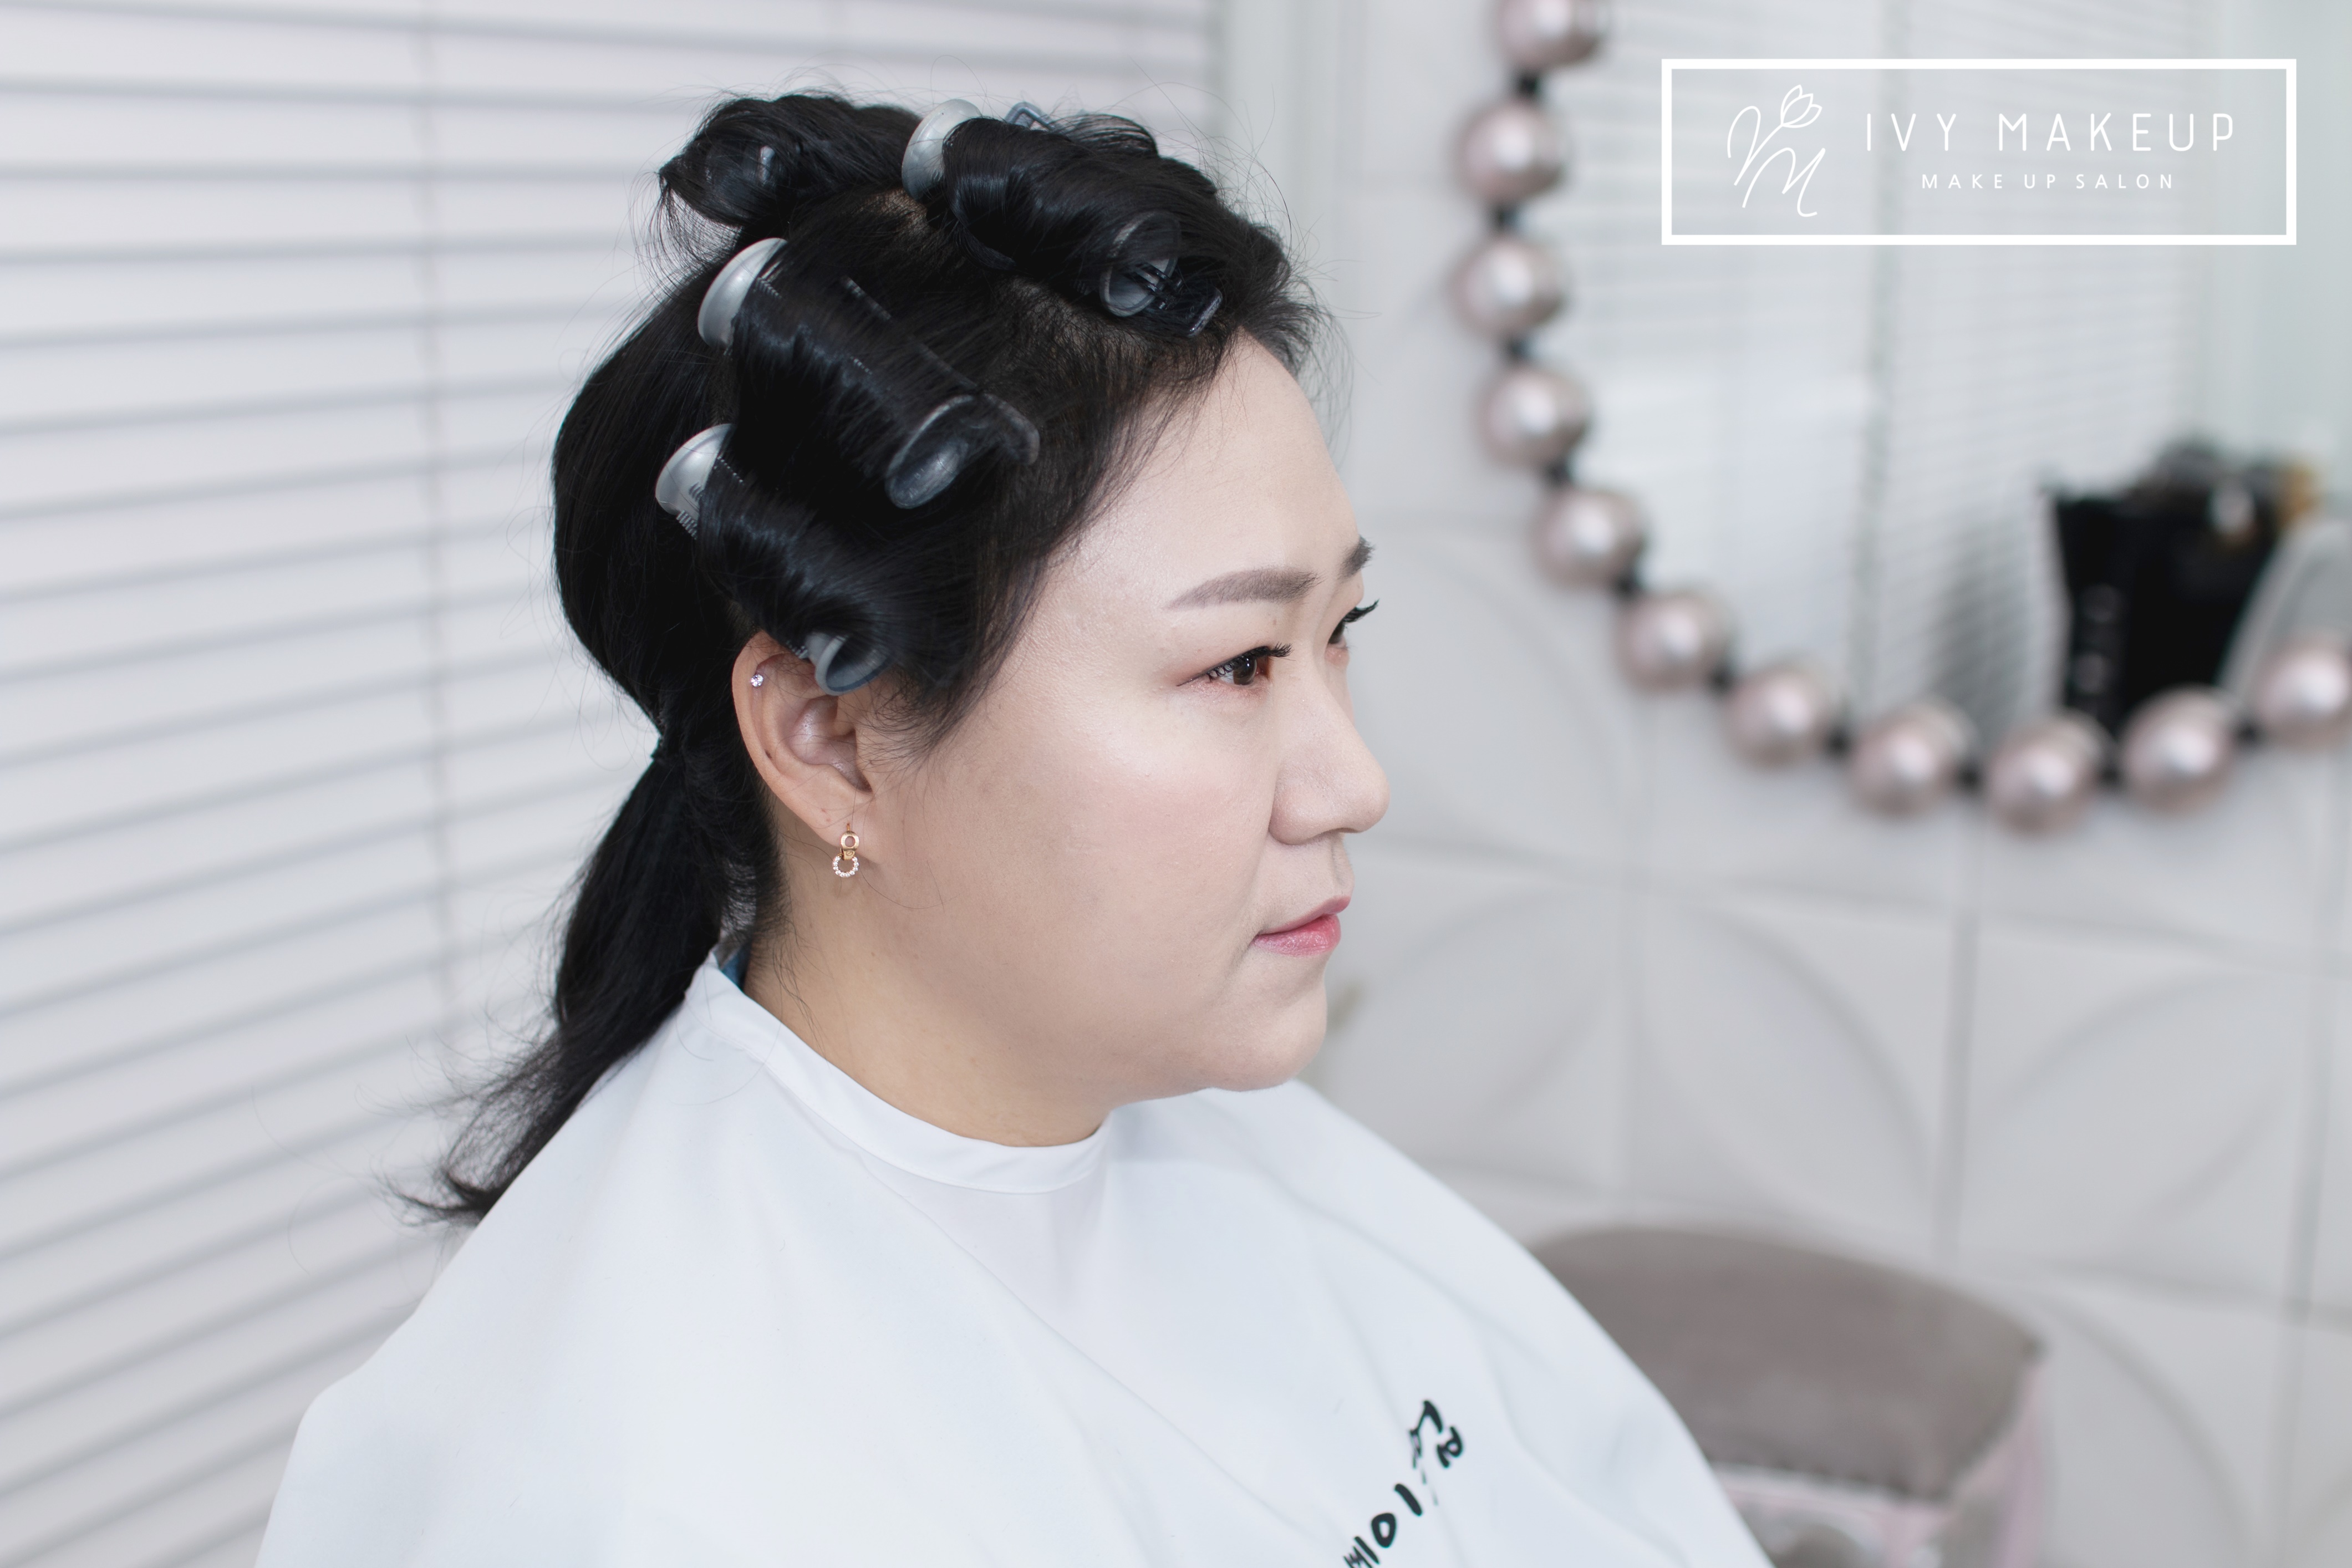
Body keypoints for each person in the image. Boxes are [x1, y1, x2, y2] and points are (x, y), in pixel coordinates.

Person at [256, 93, 1766, 1567]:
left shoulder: (1181, 1105)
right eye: (1238, 664)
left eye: (1338, 632)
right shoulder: (635, 1488)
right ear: (832, 739)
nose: (1350, 782)